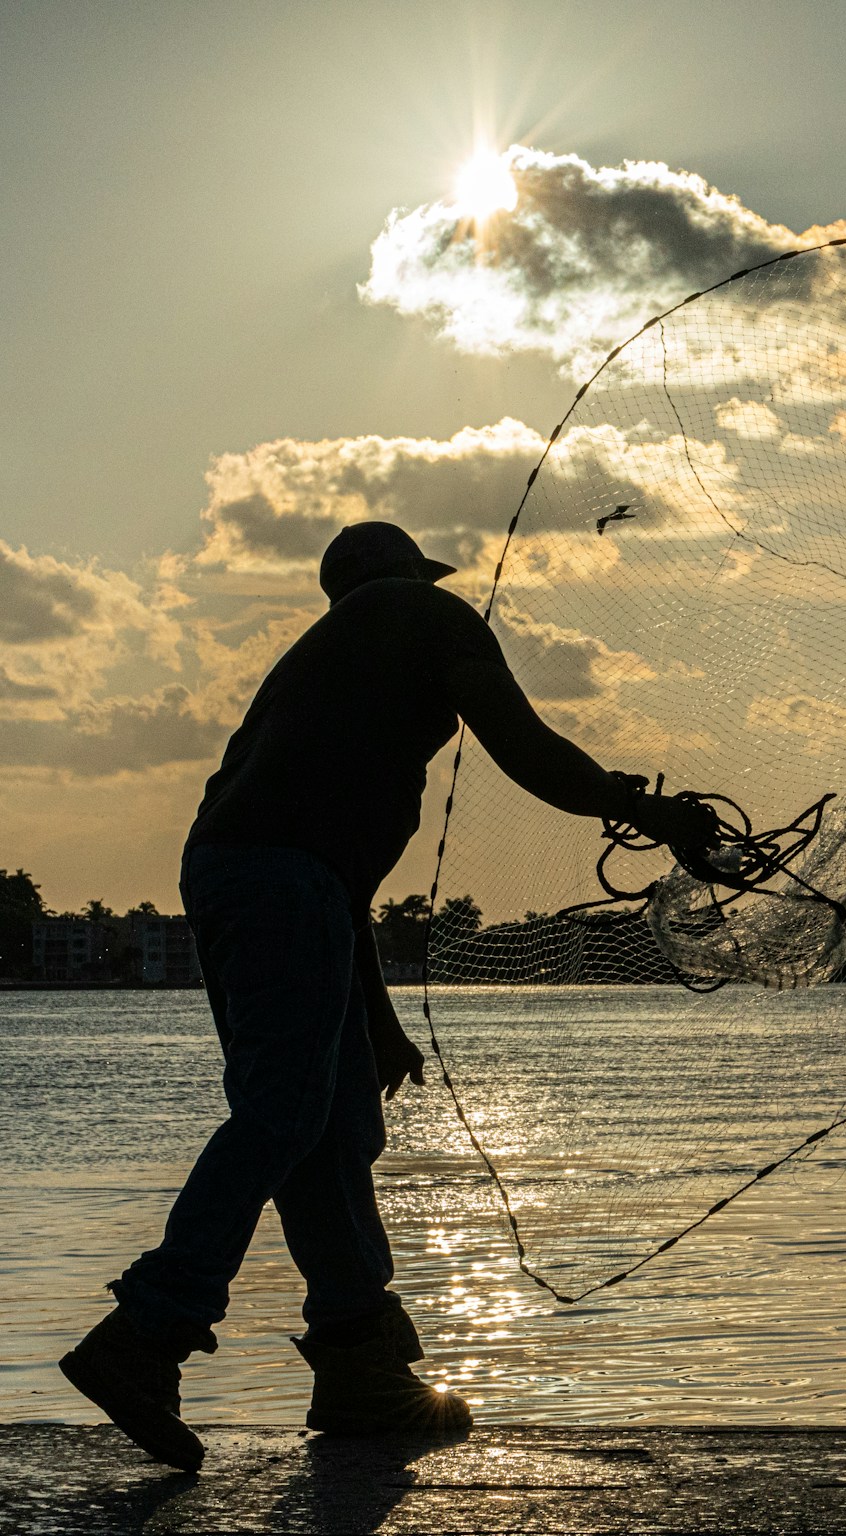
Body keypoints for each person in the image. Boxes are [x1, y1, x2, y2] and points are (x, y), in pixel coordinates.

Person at [59, 522, 717, 1471]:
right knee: (284, 1111)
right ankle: (145, 1335)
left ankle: (360, 1368)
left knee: (328, 1128)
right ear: (407, 576)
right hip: (281, 885)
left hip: (261, 883)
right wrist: (645, 809)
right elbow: (525, 747)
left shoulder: (327, 668)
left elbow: (336, 883)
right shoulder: (421, 612)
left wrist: (378, 1022)